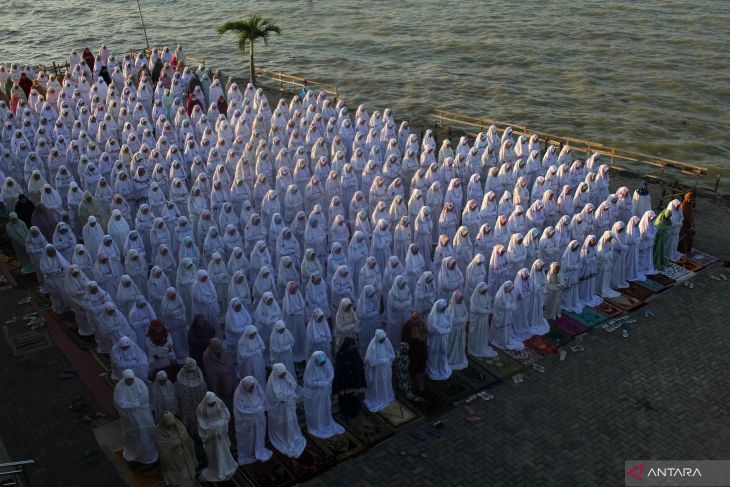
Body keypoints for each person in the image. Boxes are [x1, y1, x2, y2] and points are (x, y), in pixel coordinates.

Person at [113, 370, 158, 465]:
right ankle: (138, 453)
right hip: (130, 417)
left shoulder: (140, 384)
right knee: (135, 434)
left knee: (146, 432)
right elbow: (119, 403)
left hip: (142, 414)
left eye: (131, 379)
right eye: (128, 380)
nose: (130, 382)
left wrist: (132, 405)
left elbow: (144, 398)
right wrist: (133, 405)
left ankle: (150, 451)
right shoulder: (119, 387)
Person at [265, 363, 307, 458]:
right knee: (282, 423)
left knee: (290, 421)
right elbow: (277, 397)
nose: (284, 376)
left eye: (284, 373)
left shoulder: (287, 375)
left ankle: (291, 435)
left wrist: (288, 394)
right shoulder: (272, 383)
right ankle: (283, 436)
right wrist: (287, 395)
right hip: (279, 409)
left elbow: (293, 385)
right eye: (281, 375)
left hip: (288, 406)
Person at [196, 392, 238, 482]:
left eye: (213, 403)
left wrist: (221, 423)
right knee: (214, 453)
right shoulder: (201, 408)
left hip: (221, 432)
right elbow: (201, 422)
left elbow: (225, 414)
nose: (213, 404)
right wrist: (211, 427)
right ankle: (217, 469)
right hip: (211, 436)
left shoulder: (219, 402)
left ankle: (226, 466)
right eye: (211, 403)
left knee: (224, 450)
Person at [303, 351, 345, 438]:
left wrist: (327, 382)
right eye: (320, 364)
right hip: (314, 395)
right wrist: (320, 383)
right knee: (316, 410)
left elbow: (330, 374)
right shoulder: (310, 368)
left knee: (325, 408)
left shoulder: (327, 363)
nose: (322, 365)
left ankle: (325, 421)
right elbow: (308, 381)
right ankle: (316, 424)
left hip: (324, 393)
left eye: (323, 363)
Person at [233, 376, 273, 464]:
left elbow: (262, 399)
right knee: (249, 438)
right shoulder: (239, 395)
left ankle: (259, 449)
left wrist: (258, 409)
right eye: (249, 388)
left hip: (258, 419)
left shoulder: (257, 387)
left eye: (252, 387)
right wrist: (255, 411)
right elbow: (241, 411)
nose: (251, 389)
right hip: (246, 422)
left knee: (258, 435)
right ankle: (248, 453)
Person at [154, 411, 198, 487]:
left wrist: (180, 441)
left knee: (189, 476)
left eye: (172, 425)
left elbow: (186, 437)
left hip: (185, 457)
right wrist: (176, 442)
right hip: (173, 461)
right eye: (169, 425)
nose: (171, 427)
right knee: (179, 479)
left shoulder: (180, 426)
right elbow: (162, 445)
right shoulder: (159, 431)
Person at [332, 337, 366, 419]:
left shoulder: (355, 353)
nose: (352, 348)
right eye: (351, 346)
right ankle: (345, 414)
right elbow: (338, 371)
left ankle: (355, 412)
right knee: (345, 400)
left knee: (354, 399)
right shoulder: (340, 355)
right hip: (344, 383)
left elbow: (359, 365)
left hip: (354, 382)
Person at [363, 329, 395, 412]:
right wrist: (381, 361)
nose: (383, 341)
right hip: (377, 371)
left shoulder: (386, 341)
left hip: (386, 368)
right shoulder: (373, 347)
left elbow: (391, 353)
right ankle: (378, 397)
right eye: (381, 340)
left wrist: (387, 359)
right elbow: (370, 361)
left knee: (386, 382)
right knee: (378, 384)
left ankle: (386, 396)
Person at [174, 357, 207, 432]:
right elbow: (180, 394)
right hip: (188, 407)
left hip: (199, 404)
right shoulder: (181, 377)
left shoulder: (198, 373)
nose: (192, 372)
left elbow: (203, 387)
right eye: (190, 371)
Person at [202, 338, 236, 408]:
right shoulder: (207, 355)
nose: (219, 349)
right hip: (216, 380)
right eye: (216, 348)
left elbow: (229, 360)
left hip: (228, 377)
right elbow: (210, 369)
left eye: (219, 347)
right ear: (212, 347)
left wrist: (227, 368)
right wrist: (223, 370)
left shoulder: (222, 349)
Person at [400, 311, 428, 394]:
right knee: (413, 366)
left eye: (417, 319)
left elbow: (426, 332)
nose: (416, 321)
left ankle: (420, 384)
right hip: (412, 350)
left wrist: (421, 337)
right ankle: (414, 383)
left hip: (421, 349)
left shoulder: (421, 323)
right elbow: (404, 340)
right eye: (414, 319)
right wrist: (415, 338)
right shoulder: (406, 326)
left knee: (422, 365)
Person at [491, 281, 523, 350]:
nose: (510, 291)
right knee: (500, 330)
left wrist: (511, 304)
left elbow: (510, 302)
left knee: (506, 330)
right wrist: (511, 305)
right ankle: (499, 341)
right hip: (501, 317)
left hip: (506, 316)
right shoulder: (499, 297)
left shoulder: (508, 294)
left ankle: (505, 340)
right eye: (509, 289)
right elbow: (503, 307)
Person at [468, 282, 497, 357]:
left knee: (483, 333)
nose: (484, 292)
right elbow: (474, 309)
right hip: (477, 320)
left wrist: (486, 309)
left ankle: (482, 346)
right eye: (483, 291)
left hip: (484, 319)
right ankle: (475, 348)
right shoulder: (474, 297)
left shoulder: (486, 295)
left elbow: (488, 304)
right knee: (477, 333)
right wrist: (485, 311)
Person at [426, 299, 453, 380]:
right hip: (435, 340)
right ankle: (433, 370)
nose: (444, 309)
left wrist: (447, 329)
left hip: (443, 339)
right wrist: (444, 330)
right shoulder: (432, 316)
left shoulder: (446, 313)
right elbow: (432, 328)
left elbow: (450, 321)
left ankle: (442, 368)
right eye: (443, 308)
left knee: (443, 353)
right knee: (434, 354)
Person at [447, 290, 469, 370]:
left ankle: (459, 358)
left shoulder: (462, 305)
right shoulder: (451, 307)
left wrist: (462, 320)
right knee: (453, 344)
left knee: (461, 344)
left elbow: (466, 315)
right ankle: (452, 358)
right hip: (454, 330)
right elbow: (452, 320)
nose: (460, 300)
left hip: (461, 329)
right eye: (459, 298)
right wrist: (461, 320)